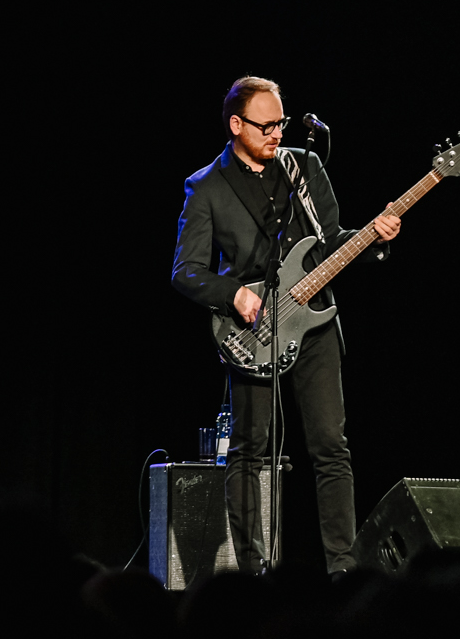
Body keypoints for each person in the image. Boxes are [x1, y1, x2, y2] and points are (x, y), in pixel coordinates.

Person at [170, 75, 401, 574]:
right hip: (252, 333)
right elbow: (185, 271)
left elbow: (330, 241)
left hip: (314, 323)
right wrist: (234, 293)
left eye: (282, 122)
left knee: (331, 448)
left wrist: (374, 239)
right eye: (266, 125)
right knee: (249, 452)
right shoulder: (206, 185)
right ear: (236, 125)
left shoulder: (305, 166)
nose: (277, 132)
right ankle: (252, 570)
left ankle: (343, 568)